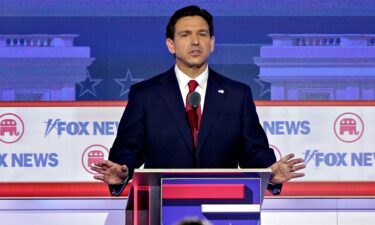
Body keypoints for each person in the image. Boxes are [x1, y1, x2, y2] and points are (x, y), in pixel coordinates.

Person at [91, 5, 305, 196]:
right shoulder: (146, 94)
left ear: (211, 43)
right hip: (162, 202)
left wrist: (270, 172)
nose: (195, 41)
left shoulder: (237, 94)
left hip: (224, 203)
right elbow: (128, 149)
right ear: (170, 44)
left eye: (202, 34)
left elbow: (253, 151)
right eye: (185, 35)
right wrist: (122, 171)